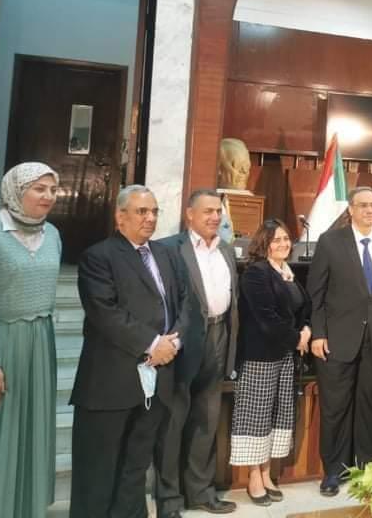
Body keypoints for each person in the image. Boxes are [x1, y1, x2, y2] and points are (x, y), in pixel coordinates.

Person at [70, 185, 189, 518]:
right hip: (111, 381)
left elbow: (185, 303)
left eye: (154, 211)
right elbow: (104, 312)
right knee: (98, 473)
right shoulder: (99, 256)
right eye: (141, 211)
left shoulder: (166, 254)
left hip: (157, 380)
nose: (150, 218)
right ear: (120, 216)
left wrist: (173, 343)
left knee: (135, 469)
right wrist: (153, 344)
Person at [0, 163, 61, 518]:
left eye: (53, 189)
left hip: (39, 345)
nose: (48, 196)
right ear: (15, 191)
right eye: (39, 188)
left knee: (30, 430)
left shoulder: (53, 234)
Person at [308, 186, 372, 497]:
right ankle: (334, 470)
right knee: (335, 408)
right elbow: (316, 293)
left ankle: (366, 466)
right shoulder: (331, 242)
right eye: (363, 205)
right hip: (337, 340)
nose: (370, 210)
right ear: (351, 209)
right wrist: (318, 333)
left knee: (370, 407)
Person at [155, 190, 239, 517]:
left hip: (218, 337)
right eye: (207, 211)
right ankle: (169, 500)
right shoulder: (168, 248)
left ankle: (201, 492)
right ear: (189, 214)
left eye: (218, 211)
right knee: (173, 422)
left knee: (206, 418)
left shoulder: (226, 249)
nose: (215, 217)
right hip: (183, 342)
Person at [230, 219, 311, 506]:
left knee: (278, 414)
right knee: (257, 416)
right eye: (276, 240)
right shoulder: (256, 273)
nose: (284, 244)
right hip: (260, 356)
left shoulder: (286, 272)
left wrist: (306, 328)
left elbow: (302, 308)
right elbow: (266, 318)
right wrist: (297, 338)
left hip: (284, 355)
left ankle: (267, 474)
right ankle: (254, 477)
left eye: (286, 239)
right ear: (263, 243)